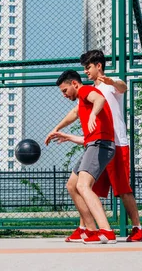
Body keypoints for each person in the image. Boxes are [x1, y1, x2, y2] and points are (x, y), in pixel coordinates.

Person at [45, 69, 117, 244]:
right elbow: (74, 114)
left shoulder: (85, 91)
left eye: (65, 90)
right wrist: (58, 130)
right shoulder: (82, 102)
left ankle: (107, 231)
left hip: (101, 144)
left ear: (75, 84)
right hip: (92, 144)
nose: (64, 95)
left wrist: (93, 113)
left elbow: (99, 99)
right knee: (72, 185)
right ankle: (90, 230)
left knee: (83, 185)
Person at [80, 49, 142, 242]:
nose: (86, 71)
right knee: (86, 186)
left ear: (98, 66)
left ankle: (137, 228)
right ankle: (87, 229)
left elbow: (123, 87)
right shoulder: (89, 89)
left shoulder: (110, 84)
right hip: (98, 144)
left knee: (123, 189)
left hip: (117, 143)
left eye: (88, 67)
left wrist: (113, 82)